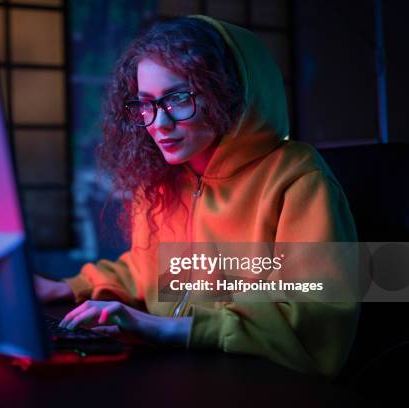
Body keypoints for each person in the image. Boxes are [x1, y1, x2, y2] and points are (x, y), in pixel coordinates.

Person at [36, 15, 359, 378]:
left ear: (228, 94)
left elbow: (316, 320)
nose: (158, 124)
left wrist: (162, 328)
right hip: (170, 369)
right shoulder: (162, 178)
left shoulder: (296, 175)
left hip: (260, 381)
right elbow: (145, 270)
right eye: (146, 104)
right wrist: (65, 287)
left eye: (177, 99)